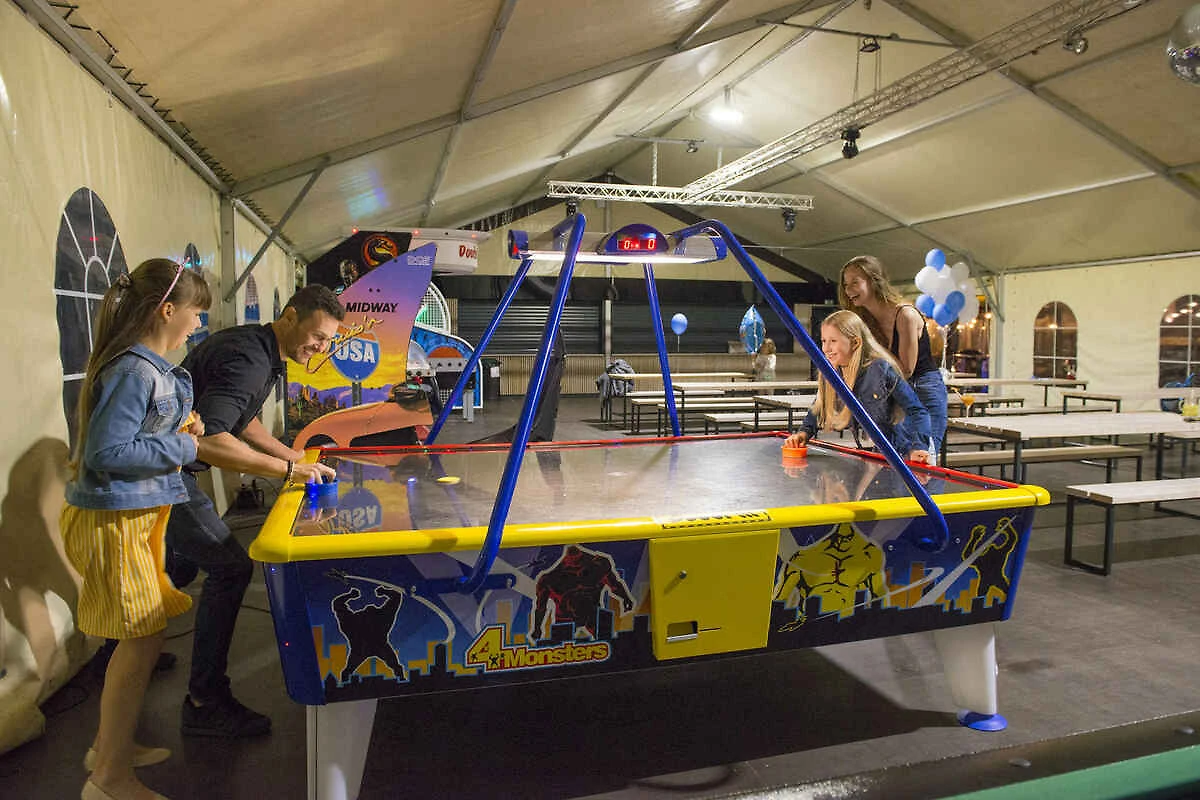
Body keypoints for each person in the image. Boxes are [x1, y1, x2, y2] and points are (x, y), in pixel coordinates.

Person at [61, 258, 210, 800]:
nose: (198, 323)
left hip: (132, 517)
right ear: (167, 310)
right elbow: (108, 452)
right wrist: (184, 444)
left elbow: (132, 435)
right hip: (114, 520)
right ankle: (108, 779)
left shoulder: (144, 369)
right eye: (196, 312)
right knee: (141, 636)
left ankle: (109, 747)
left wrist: (181, 428)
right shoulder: (134, 371)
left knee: (144, 636)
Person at [166, 284, 341, 738]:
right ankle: (204, 701)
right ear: (290, 316)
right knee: (229, 568)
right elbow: (211, 438)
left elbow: (243, 421)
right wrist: (289, 470)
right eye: (318, 337)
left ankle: (118, 652)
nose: (321, 348)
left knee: (176, 568)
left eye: (328, 341)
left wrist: (294, 457)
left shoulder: (259, 348)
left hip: (166, 471)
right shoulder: (250, 359)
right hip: (162, 474)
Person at [784, 310, 931, 464]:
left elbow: (917, 410)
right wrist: (803, 433)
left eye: (833, 341)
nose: (826, 348)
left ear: (855, 343)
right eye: (823, 341)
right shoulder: (834, 372)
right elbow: (819, 405)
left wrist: (919, 447)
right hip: (878, 456)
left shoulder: (880, 369)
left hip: (905, 455)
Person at [838, 254, 948, 452]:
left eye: (855, 282)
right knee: (888, 459)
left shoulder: (905, 314)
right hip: (893, 392)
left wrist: (869, 356)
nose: (849, 290)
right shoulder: (865, 320)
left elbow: (905, 370)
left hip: (922, 390)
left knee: (921, 458)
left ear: (874, 281)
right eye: (846, 285)